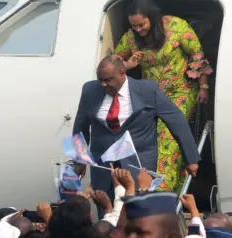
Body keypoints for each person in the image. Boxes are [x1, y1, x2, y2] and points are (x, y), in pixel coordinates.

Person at [73, 55, 199, 218]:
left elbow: (176, 120)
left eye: (108, 80)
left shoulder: (147, 90)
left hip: (138, 160)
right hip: (103, 164)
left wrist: (191, 159)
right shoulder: (90, 90)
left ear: (122, 73)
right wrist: (79, 160)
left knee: (138, 211)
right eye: (100, 80)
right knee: (106, 209)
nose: (103, 85)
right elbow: (80, 126)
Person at [113, 0, 213, 192]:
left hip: (180, 90)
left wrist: (204, 86)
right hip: (151, 95)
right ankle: (174, 190)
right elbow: (114, 62)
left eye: (142, 25)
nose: (139, 30)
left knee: (167, 138)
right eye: (134, 26)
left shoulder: (176, 26)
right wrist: (129, 65)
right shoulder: (132, 37)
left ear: (152, 18)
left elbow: (197, 54)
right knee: (151, 141)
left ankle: (160, 191)